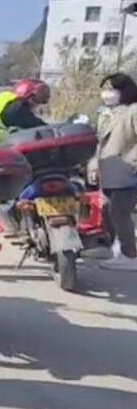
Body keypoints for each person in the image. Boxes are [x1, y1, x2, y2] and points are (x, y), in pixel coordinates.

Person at [93, 72, 137, 270]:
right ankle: (115, 249)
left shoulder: (134, 111)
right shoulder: (106, 113)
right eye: (105, 89)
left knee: (120, 211)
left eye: (111, 89)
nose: (107, 93)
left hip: (128, 170)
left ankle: (129, 254)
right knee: (107, 210)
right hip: (109, 171)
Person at [0, 77, 50, 143]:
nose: (37, 104)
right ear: (28, 94)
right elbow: (35, 124)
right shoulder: (17, 107)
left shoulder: (4, 97)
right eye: (38, 98)